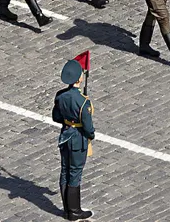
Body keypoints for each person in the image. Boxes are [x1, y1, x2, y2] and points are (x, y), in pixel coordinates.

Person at [53, 59, 95, 220]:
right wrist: (91, 135)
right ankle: (75, 211)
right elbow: (88, 127)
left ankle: (66, 209)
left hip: (65, 135)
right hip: (78, 138)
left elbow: (56, 117)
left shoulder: (60, 95)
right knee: (75, 173)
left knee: (65, 170)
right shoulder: (83, 101)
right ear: (78, 79)